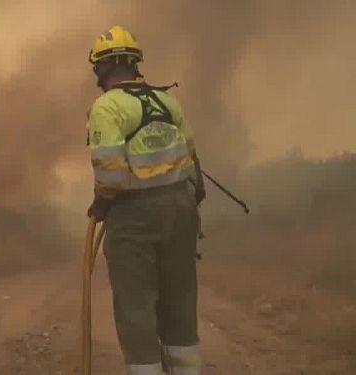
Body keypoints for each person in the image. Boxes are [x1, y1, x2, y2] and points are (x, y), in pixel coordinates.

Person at [86, 25, 206, 375]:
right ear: (135, 63)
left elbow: (109, 174)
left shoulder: (106, 107)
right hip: (182, 211)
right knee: (180, 303)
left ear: (102, 68)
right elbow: (193, 163)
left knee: (135, 308)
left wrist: (101, 204)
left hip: (133, 217)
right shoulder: (169, 102)